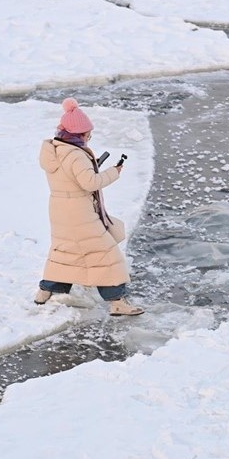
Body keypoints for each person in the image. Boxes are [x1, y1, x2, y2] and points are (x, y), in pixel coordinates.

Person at [34, 97, 144, 316]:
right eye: (87, 134)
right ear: (79, 134)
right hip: (79, 212)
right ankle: (117, 302)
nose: (89, 137)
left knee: (65, 249)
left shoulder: (56, 150)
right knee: (105, 252)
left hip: (59, 208)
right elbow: (89, 183)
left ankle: (45, 291)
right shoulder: (75, 155)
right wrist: (113, 172)